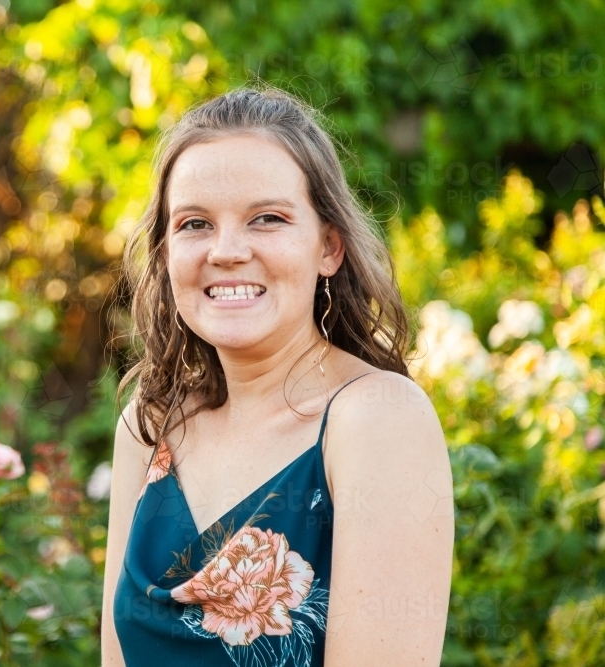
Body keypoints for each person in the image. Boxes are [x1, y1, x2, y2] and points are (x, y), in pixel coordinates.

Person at [100, 85, 454, 667]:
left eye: (267, 218)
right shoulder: (151, 423)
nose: (226, 251)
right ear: (164, 253)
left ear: (329, 247)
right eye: (194, 224)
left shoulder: (377, 421)